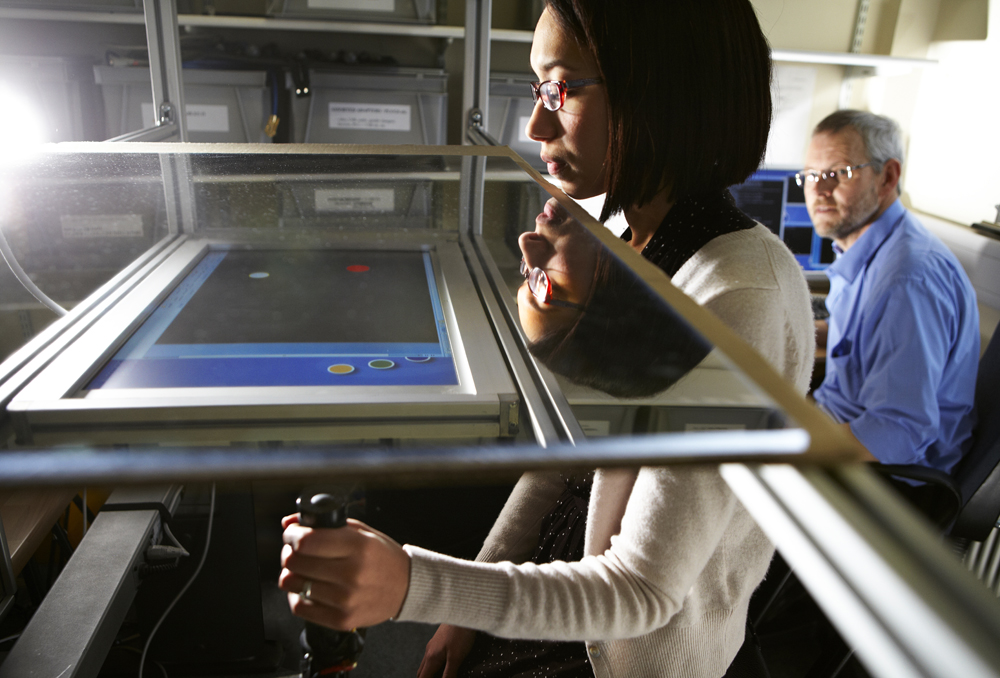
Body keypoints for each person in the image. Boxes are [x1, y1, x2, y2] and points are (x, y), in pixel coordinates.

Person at [278, 1, 815, 676]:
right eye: (536, 90)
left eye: (560, 89)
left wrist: (410, 584)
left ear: (659, 90)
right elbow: (565, 464)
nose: (534, 124)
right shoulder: (628, 244)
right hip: (555, 594)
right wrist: (468, 607)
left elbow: (640, 590)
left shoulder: (739, 295)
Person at [804, 110, 979, 479]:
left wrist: (784, 448)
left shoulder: (907, 280)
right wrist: (791, 331)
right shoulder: (869, 251)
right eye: (811, 175)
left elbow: (897, 432)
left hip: (885, 482)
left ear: (887, 177)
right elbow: (861, 342)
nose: (819, 189)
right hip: (839, 431)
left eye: (839, 172)